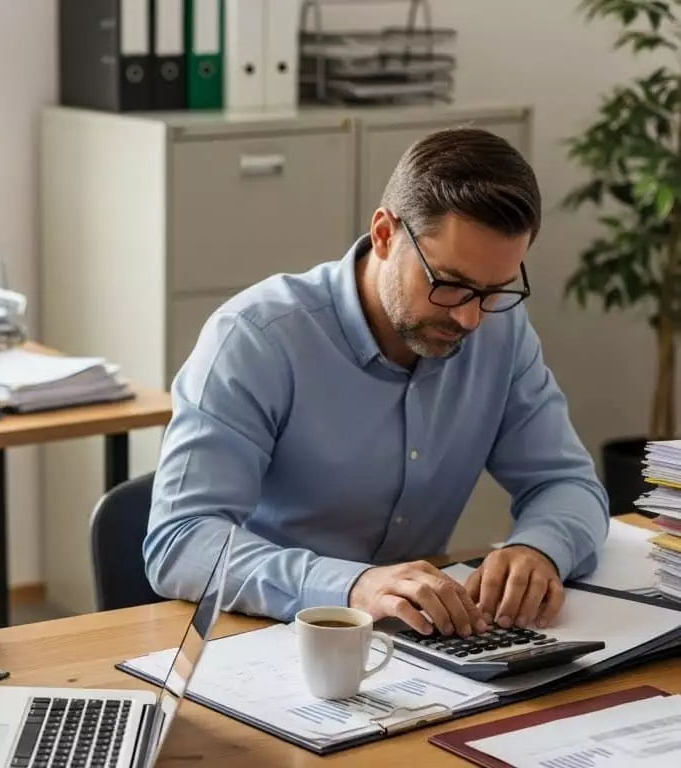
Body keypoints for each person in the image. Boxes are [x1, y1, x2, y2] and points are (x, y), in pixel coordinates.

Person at [143, 127, 608, 639]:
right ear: (385, 234)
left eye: (495, 290)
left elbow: (568, 485)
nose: (472, 319)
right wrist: (351, 586)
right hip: (265, 636)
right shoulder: (256, 339)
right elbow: (181, 542)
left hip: (416, 641)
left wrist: (538, 548)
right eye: (450, 284)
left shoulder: (501, 330)